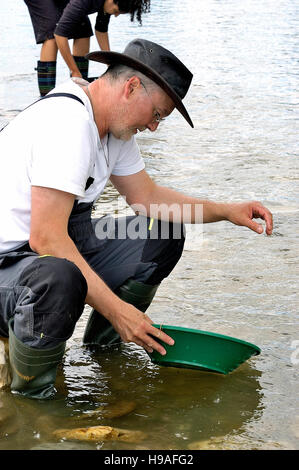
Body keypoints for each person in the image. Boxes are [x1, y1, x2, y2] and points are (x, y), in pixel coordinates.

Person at [0, 38, 273, 400]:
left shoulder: (111, 128)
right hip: (12, 264)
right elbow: (47, 239)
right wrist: (118, 311)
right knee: (58, 276)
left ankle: (103, 351)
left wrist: (225, 210)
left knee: (163, 232)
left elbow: (149, 199)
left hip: (44, 252)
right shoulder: (68, 124)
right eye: (157, 114)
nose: (154, 127)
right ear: (131, 87)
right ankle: (32, 399)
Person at [24, 0, 151, 96]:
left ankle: (78, 87)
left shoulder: (106, 4)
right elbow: (60, 35)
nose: (116, 15)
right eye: (117, 11)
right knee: (51, 34)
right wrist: (73, 70)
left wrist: (110, 64)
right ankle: (46, 96)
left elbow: (101, 30)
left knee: (83, 30)